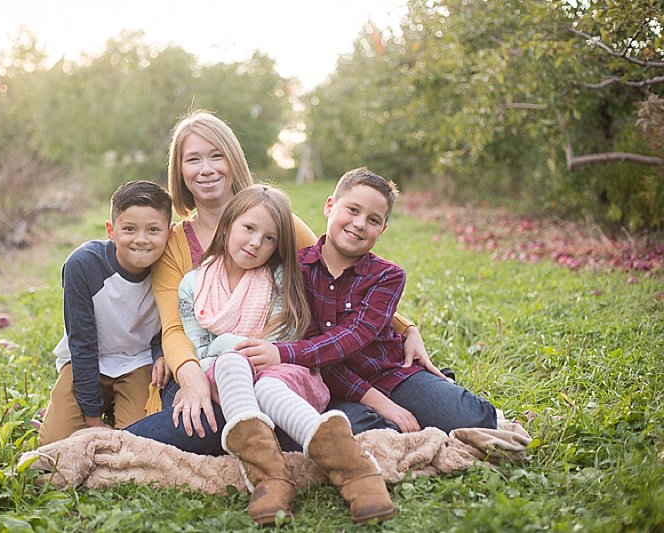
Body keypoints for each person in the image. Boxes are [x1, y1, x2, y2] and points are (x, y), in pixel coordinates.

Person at [125, 109, 434, 452]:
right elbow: (175, 329)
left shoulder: (274, 215)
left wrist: (404, 327)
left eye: (217, 156)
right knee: (205, 415)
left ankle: (302, 431)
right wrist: (191, 377)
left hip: (278, 368)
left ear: (233, 161)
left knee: (271, 402)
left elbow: (329, 270)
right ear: (179, 171)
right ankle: (297, 433)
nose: (206, 169)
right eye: (193, 159)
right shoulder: (174, 244)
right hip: (208, 368)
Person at [178, 184, 394, 525]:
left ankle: (355, 472)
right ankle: (270, 478)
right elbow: (200, 350)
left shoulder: (279, 278)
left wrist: (233, 347)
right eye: (248, 229)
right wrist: (235, 348)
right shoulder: (193, 285)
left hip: (284, 372)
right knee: (231, 361)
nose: (255, 243)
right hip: (228, 375)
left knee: (265, 385)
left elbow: (283, 338)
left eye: (270, 239)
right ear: (228, 224)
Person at [236, 168, 497, 434]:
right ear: (329, 206)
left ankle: (436, 389)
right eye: (352, 210)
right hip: (329, 382)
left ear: (382, 230)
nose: (360, 224)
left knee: (476, 418)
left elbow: (354, 335)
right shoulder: (295, 270)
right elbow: (317, 352)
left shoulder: (387, 276)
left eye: (373, 220)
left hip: (389, 373)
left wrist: (280, 353)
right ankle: (389, 417)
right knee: (368, 431)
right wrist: (382, 405)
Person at [38, 180, 173, 445]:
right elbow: (83, 343)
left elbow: (169, 323)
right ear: (111, 230)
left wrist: (161, 354)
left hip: (137, 362)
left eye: (153, 230)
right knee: (53, 447)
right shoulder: (84, 265)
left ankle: (119, 407)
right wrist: (92, 420)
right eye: (130, 229)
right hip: (90, 361)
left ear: (169, 233)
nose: (142, 240)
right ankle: (93, 408)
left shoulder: (169, 268)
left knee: (140, 444)